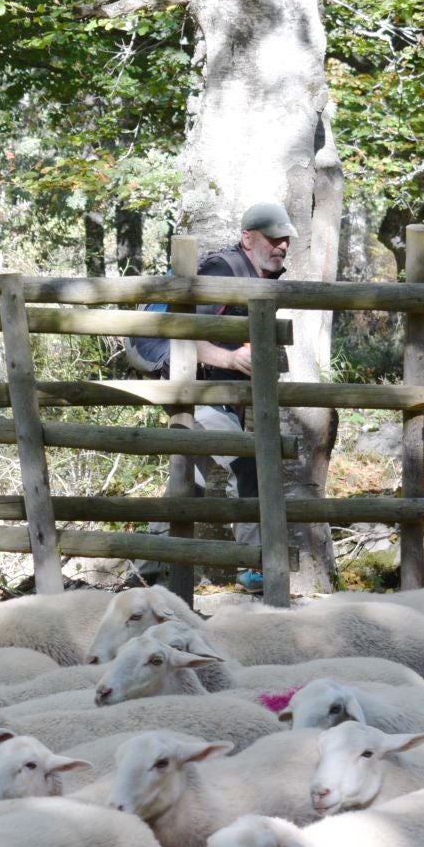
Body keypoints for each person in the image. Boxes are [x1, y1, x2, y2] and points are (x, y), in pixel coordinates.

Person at [127, 201, 295, 589]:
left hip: (203, 390)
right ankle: (257, 567)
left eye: (285, 240)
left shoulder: (257, 278)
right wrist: (230, 358)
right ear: (247, 238)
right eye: (273, 239)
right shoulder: (223, 270)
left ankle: (147, 570)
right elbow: (177, 329)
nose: (282, 246)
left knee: (190, 479)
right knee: (247, 460)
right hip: (183, 384)